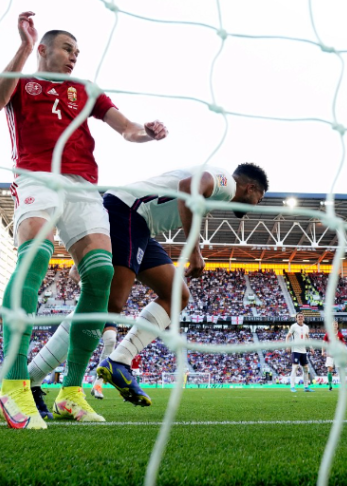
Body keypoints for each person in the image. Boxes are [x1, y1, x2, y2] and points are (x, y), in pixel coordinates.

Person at [0, 11, 167, 429]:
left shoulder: (85, 89)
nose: (74, 57)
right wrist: (23, 47)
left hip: (84, 185)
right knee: (34, 259)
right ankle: (12, 387)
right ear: (45, 49)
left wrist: (148, 131)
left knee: (102, 274)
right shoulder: (23, 81)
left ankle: (70, 392)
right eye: (68, 49)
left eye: (78, 52)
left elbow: (125, 128)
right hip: (36, 174)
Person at [25, 163, 268, 408]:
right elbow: (189, 186)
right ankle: (30, 378)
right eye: (260, 199)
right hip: (129, 212)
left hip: (140, 224)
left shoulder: (218, 191)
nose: (256, 205)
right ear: (251, 187)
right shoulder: (226, 182)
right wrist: (194, 250)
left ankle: (119, 360)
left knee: (177, 295)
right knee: (109, 305)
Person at [287, 313, 313, 393]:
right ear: (296, 318)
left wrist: (311, 347)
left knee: (306, 369)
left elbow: (307, 338)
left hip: (303, 350)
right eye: (298, 317)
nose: (300, 318)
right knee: (295, 368)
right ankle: (292, 387)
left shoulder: (306, 327)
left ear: (303, 318)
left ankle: (306, 387)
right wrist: (287, 346)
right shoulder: (294, 326)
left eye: (301, 317)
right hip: (295, 350)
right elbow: (288, 336)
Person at [322, 320, 345, 391]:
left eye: (336, 324)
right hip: (330, 353)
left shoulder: (340, 335)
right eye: (333, 324)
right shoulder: (328, 334)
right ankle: (330, 386)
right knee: (330, 369)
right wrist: (322, 351)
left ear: (337, 325)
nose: (335, 325)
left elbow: (343, 345)